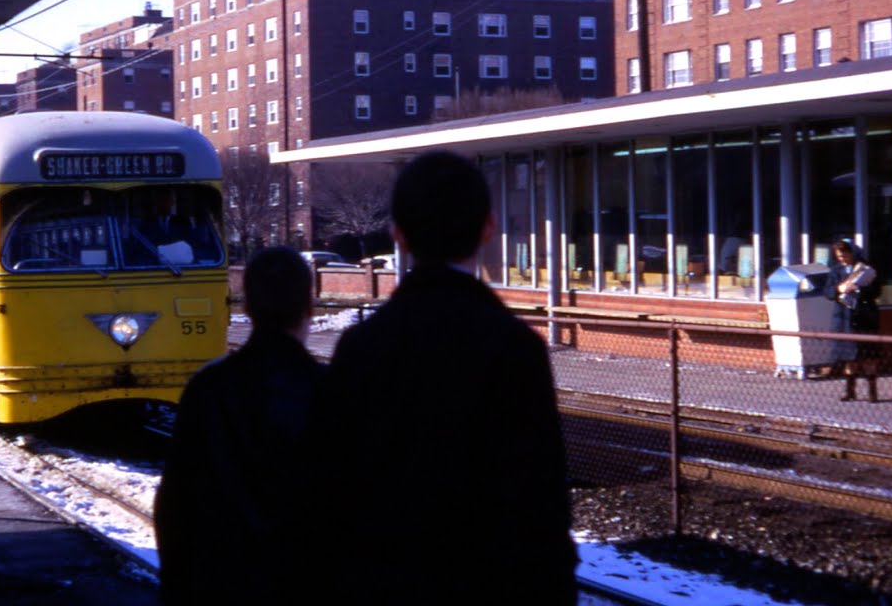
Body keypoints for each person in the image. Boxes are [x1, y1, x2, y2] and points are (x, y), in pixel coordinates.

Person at [309, 151, 577, 604]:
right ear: (487, 228)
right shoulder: (516, 349)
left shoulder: (361, 348)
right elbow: (541, 506)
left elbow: (330, 496)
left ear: (399, 235)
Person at [153, 246, 321, 605]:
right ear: (310, 307)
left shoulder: (208, 389)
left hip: (222, 582)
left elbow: (176, 503)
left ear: (247, 308)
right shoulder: (331, 389)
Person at [825, 239, 882, 402]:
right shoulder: (835, 271)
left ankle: (872, 392)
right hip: (844, 318)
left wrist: (859, 288)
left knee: (869, 356)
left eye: (845, 256)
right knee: (849, 357)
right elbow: (827, 292)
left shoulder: (866, 269)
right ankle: (850, 391)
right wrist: (838, 289)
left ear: (853, 253)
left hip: (864, 318)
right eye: (839, 257)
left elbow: (877, 291)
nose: (842, 259)